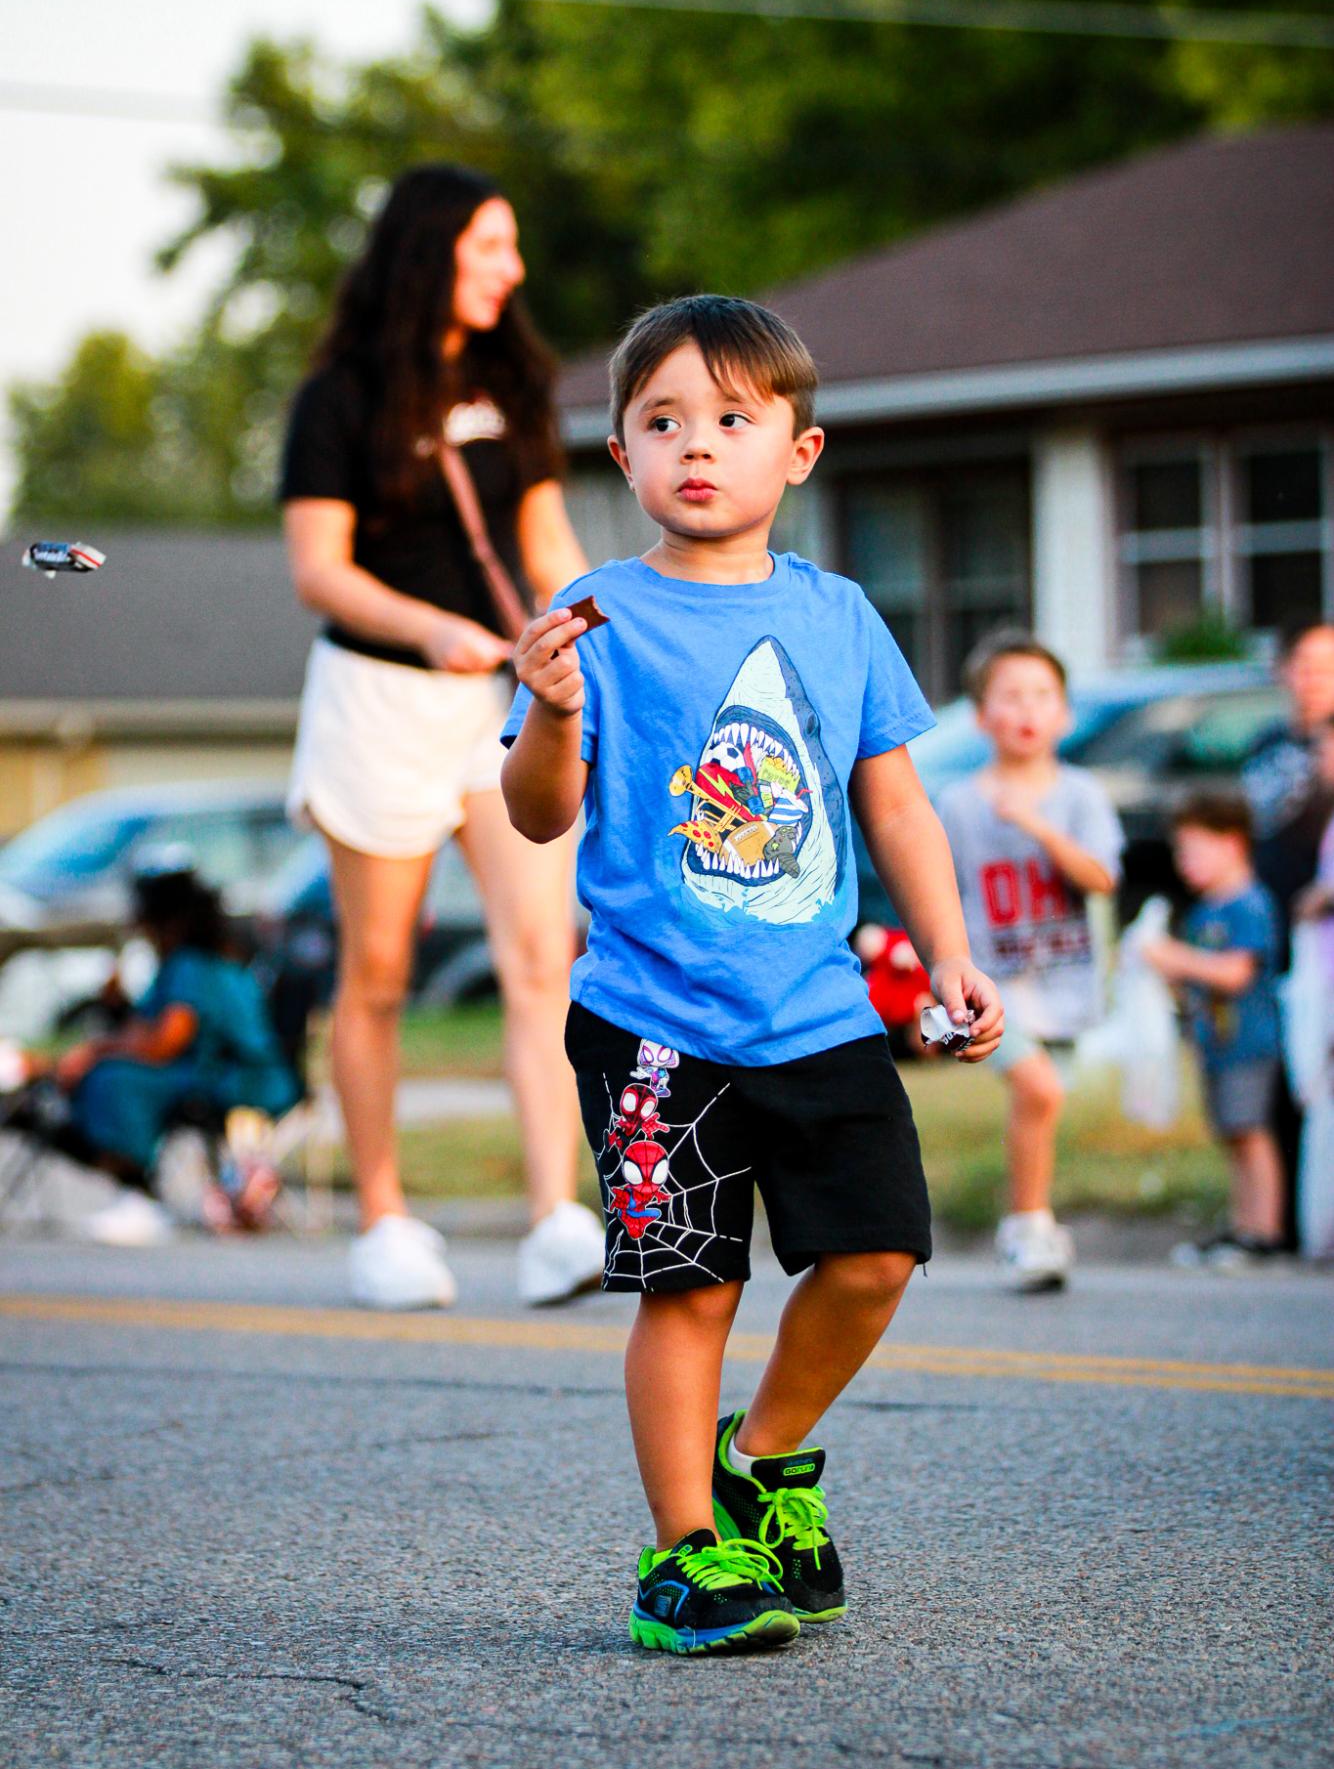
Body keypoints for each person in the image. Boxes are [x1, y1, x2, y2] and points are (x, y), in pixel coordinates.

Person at [500, 295, 1003, 1656]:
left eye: (731, 419)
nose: (696, 447)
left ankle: (762, 1452)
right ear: (620, 455)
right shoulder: (592, 615)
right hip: (652, 1028)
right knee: (692, 1287)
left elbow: (893, 806)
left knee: (877, 1254)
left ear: (801, 450)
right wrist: (547, 715)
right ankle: (682, 1552)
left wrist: (948, 950)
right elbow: (539, 813)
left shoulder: (839, 619)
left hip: (819, 1013)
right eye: (662, 422)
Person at [280, 163, 604, 1311]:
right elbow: (320, 567)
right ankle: (382, 1221)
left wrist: (591, 628)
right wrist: (435, 631)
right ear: (430, 252)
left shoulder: (515, 382)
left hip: (500, 701)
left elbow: (547, 537)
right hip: (378, 699)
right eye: (489, 246)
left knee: (540, 958)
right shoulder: (340, 397)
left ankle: (557, 1216)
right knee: (374, 975)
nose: (510, 269)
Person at [936, 632, 1122, 1293]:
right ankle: (1027, 1226)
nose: (1028, 708)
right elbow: (939, 893)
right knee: (1037, 1089)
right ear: (980, 714)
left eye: (1043, 695)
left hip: (1066, 986)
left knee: (1042, 1104)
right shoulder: (958, 801)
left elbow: (1101, 877)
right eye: (1010, 694)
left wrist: (1038, 824)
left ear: (1065, 714)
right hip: (995, 985)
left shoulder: (1081, 793)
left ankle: (1032, 1222)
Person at [20, 866, 300, 1245]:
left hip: (245, 1079)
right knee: (113, 1075)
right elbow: (149, 1030)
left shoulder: (193, 965)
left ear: (165, 921)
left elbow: (165, 1041)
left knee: (116, 1081)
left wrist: (95, 1052)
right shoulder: (184, 965)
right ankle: (131, 1187)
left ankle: (139, 1190)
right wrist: (117, 1010)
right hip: (212, 1071)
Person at [1141, 793, 1284, 1268]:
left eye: (1195, 850)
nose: (1185, 863)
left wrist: (1175, 958)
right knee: (1230, 1133)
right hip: (1215, 1045)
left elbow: (1235, 974)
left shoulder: (1249, 905)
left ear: (1233, 845)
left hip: (1249, 1043)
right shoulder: (1203, 913)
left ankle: (1264, 1232)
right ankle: (1242, 1226)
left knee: (1250, 1133)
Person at [1243, 618, 1334, 1246]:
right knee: (1273, 1068)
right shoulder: (1266, 742)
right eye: (1303, 663)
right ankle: (1285, 1219)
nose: (1312, 679)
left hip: (1322, 936)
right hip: (1270, 925)